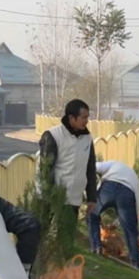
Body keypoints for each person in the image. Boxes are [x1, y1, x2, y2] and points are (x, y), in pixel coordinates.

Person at [38, 99, 98, 255]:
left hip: (73, 200)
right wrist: (51, 197)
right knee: (41, 238)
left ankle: (62, 273)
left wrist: (92, 197)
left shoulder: (87, 138)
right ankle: (37, 273)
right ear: (72, 118)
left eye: (88, 117)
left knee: (66, 242)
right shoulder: (52, 136)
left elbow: (90, 168)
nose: (87, 121)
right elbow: (46, 170)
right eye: (84, 117)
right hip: (50, 198)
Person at [86, 161, 139, 268]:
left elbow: (95, 166)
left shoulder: (114, 164)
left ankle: (96, 248)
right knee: (131, 231)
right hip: (128, 192)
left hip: (109, 186)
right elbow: (137, 201)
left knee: (92, 213)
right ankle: (136, 263)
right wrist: (135, 224)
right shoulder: (135, 178)